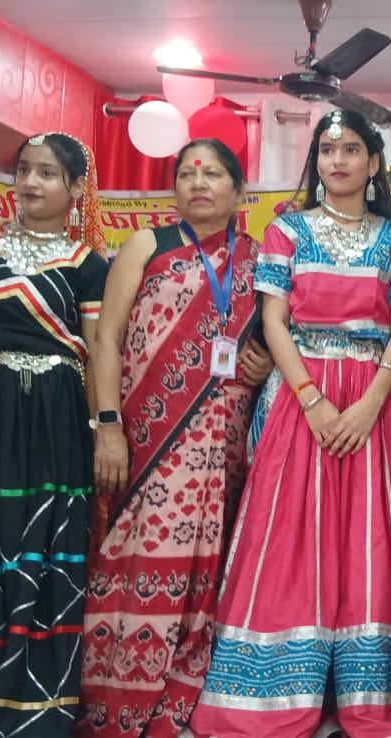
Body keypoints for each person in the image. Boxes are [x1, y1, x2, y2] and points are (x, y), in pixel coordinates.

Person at [190, 108, 391, 738]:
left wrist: (370, 402)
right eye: (328, 150)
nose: (338, 160)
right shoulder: (288, 230)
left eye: (352, 149)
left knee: (375, 537)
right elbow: (274, 322)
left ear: (373, 161)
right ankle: (278, 689)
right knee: (290, 534)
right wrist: (312, 399)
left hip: (376, 398)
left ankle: (376, 690)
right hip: (301, 395)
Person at [76, 138, 272, 738]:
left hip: (224, 444)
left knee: (211, 561)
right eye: (187, 174)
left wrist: (264, 364)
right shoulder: (148, 245)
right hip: (148, 437)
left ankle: (189, 683)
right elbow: (106, 339)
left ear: (240, 191)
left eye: (212, 175)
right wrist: (108, 425)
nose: (198, 184)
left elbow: (275, 337)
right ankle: (119, 692)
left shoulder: (261, 257)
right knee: (137, 552)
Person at [0, 132, 109, 735]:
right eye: (23, 170)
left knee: (44, 550)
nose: (30, 183)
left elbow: (97, 351)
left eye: (46, 173)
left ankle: (35, 707)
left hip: (54, 420)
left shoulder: (89, 265)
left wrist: (104, 428)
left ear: (75, 187)